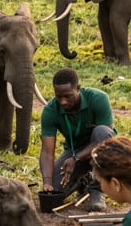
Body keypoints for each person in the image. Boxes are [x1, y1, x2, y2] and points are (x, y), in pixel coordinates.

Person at [39, 68, 115, 212]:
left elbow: (105, 140)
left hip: (101, 149)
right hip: (75, 152)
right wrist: (47, 181)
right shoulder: (50, 110)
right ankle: (83, 180)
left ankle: (97, 188)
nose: (63, 102)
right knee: (54, 191)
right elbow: (47, 151)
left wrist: (76, 158)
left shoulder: (98, 99)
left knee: (102, 131)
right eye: (58, 97)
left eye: (68, 96)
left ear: (78, 88)